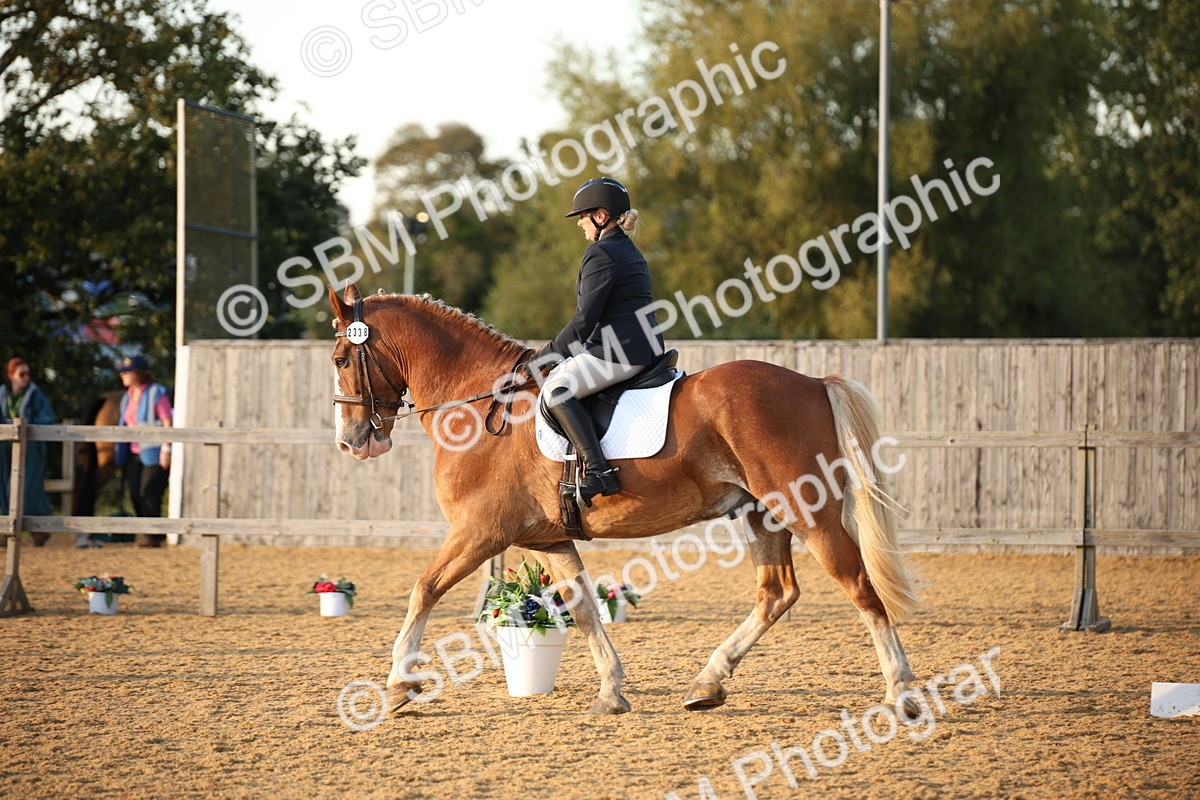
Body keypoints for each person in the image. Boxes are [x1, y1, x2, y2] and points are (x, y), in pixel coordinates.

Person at [528, 177, 665, 505]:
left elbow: (584, 320)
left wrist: (544, 358)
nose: (579, 222)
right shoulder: (626, 249)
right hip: (634, 346)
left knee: (558, 392)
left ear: (601, 216)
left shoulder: (601, 253)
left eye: (583, 215)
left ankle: (598, 470)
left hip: (617, 352)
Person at [114, 355, 173, 547]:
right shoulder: (128, 396)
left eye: (127, 371)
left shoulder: (157, 393)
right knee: (134, 493)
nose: (122, 374)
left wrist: (166, 448)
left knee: (149, 492)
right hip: (133, 451)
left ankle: (154, 533)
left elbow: (167, 420)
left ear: (138, 373)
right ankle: (147, 530)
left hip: (153, 450)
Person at [0, 358, 55, 545]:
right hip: (4, 449)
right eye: (21, 374)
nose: (26, 378)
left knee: (30, 489)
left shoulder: (34, 393)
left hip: (29, 450)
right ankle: (5, 528)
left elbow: (48, 417)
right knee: (4, 488)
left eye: (28, 374)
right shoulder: (2, 394)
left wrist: (29, 422)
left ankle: (37, 530)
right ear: (10, 375)